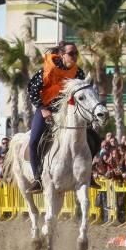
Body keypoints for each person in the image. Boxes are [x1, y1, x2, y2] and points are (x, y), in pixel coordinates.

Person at [26, 41, 92, 193]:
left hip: (68, 112)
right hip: (46, 109)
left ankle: (89, 173)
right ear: (62, 55)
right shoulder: (46, 70)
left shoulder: (79, 73)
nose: (74, 56)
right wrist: (42, 109)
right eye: (71, 53)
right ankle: (37, 179)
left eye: (76, 53)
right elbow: (31, 91)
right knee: (34, 141)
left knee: (92, 137)